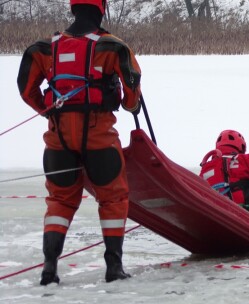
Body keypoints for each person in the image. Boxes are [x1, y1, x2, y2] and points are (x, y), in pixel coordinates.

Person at [17, 0, 142, 285]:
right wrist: (129, 104)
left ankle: (49, 267)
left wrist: (48, 111)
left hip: (58, 141)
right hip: (99, 139)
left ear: (73, 9)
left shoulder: (44, 49)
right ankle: (114, 267)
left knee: (60, 201)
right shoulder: (112, 46)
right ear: (102, 10)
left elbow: (26, 88)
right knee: (112, 198)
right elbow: (132, 82)